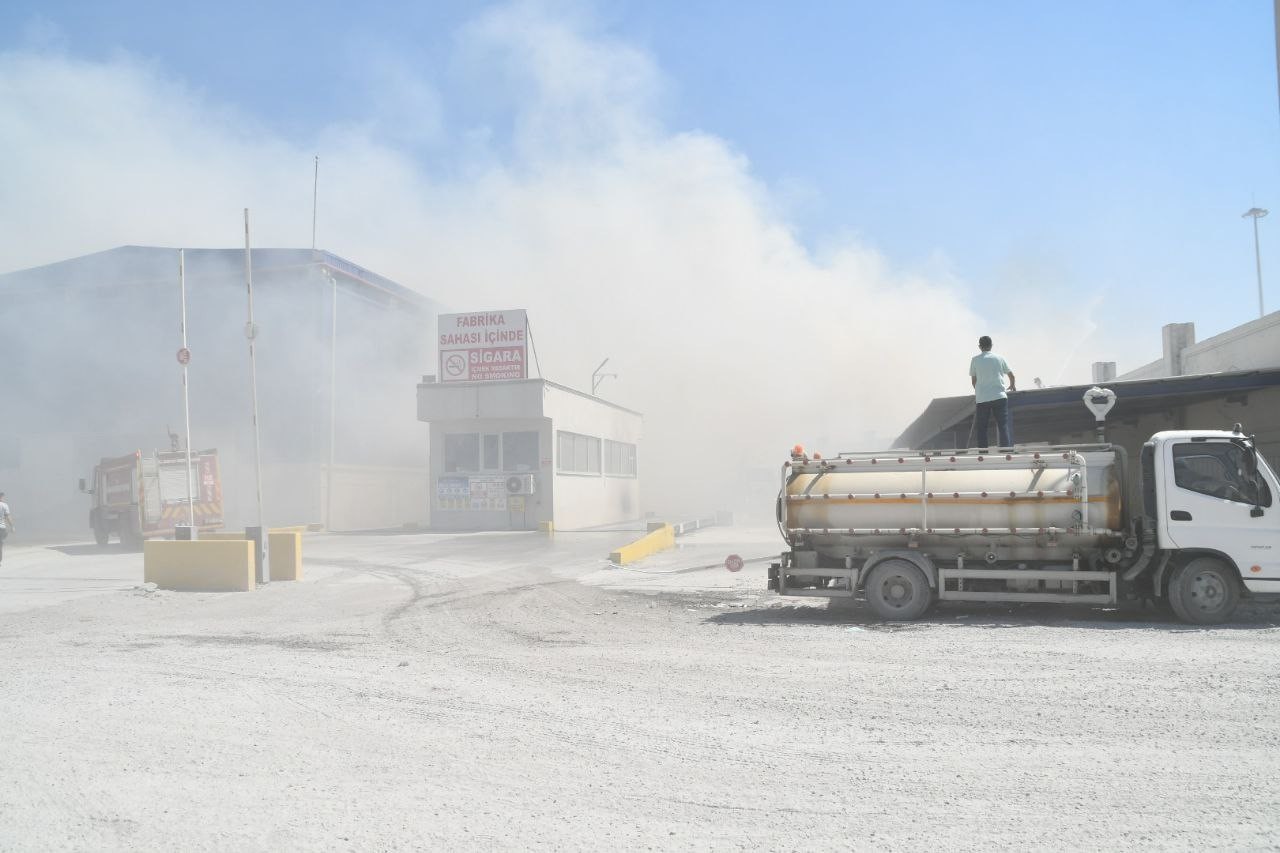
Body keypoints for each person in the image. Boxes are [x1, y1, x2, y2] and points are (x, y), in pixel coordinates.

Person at [967, 336, 1016, 449]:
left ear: (979, 346)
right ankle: (1005, 451)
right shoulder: (999, 358)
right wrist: (1012, 385)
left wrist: (980, 390)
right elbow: (1011, 375)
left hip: (982, 399)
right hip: (999, 396)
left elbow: (974, 381)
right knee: (1002, 426)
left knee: (982, 428)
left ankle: (983, 453)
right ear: (991, 345)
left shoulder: (975, 360)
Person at [0, 492, 12, 565]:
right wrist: (12, 526)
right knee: (0, 545)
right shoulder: (4, 505)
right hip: (1, 528)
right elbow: (8, 517)